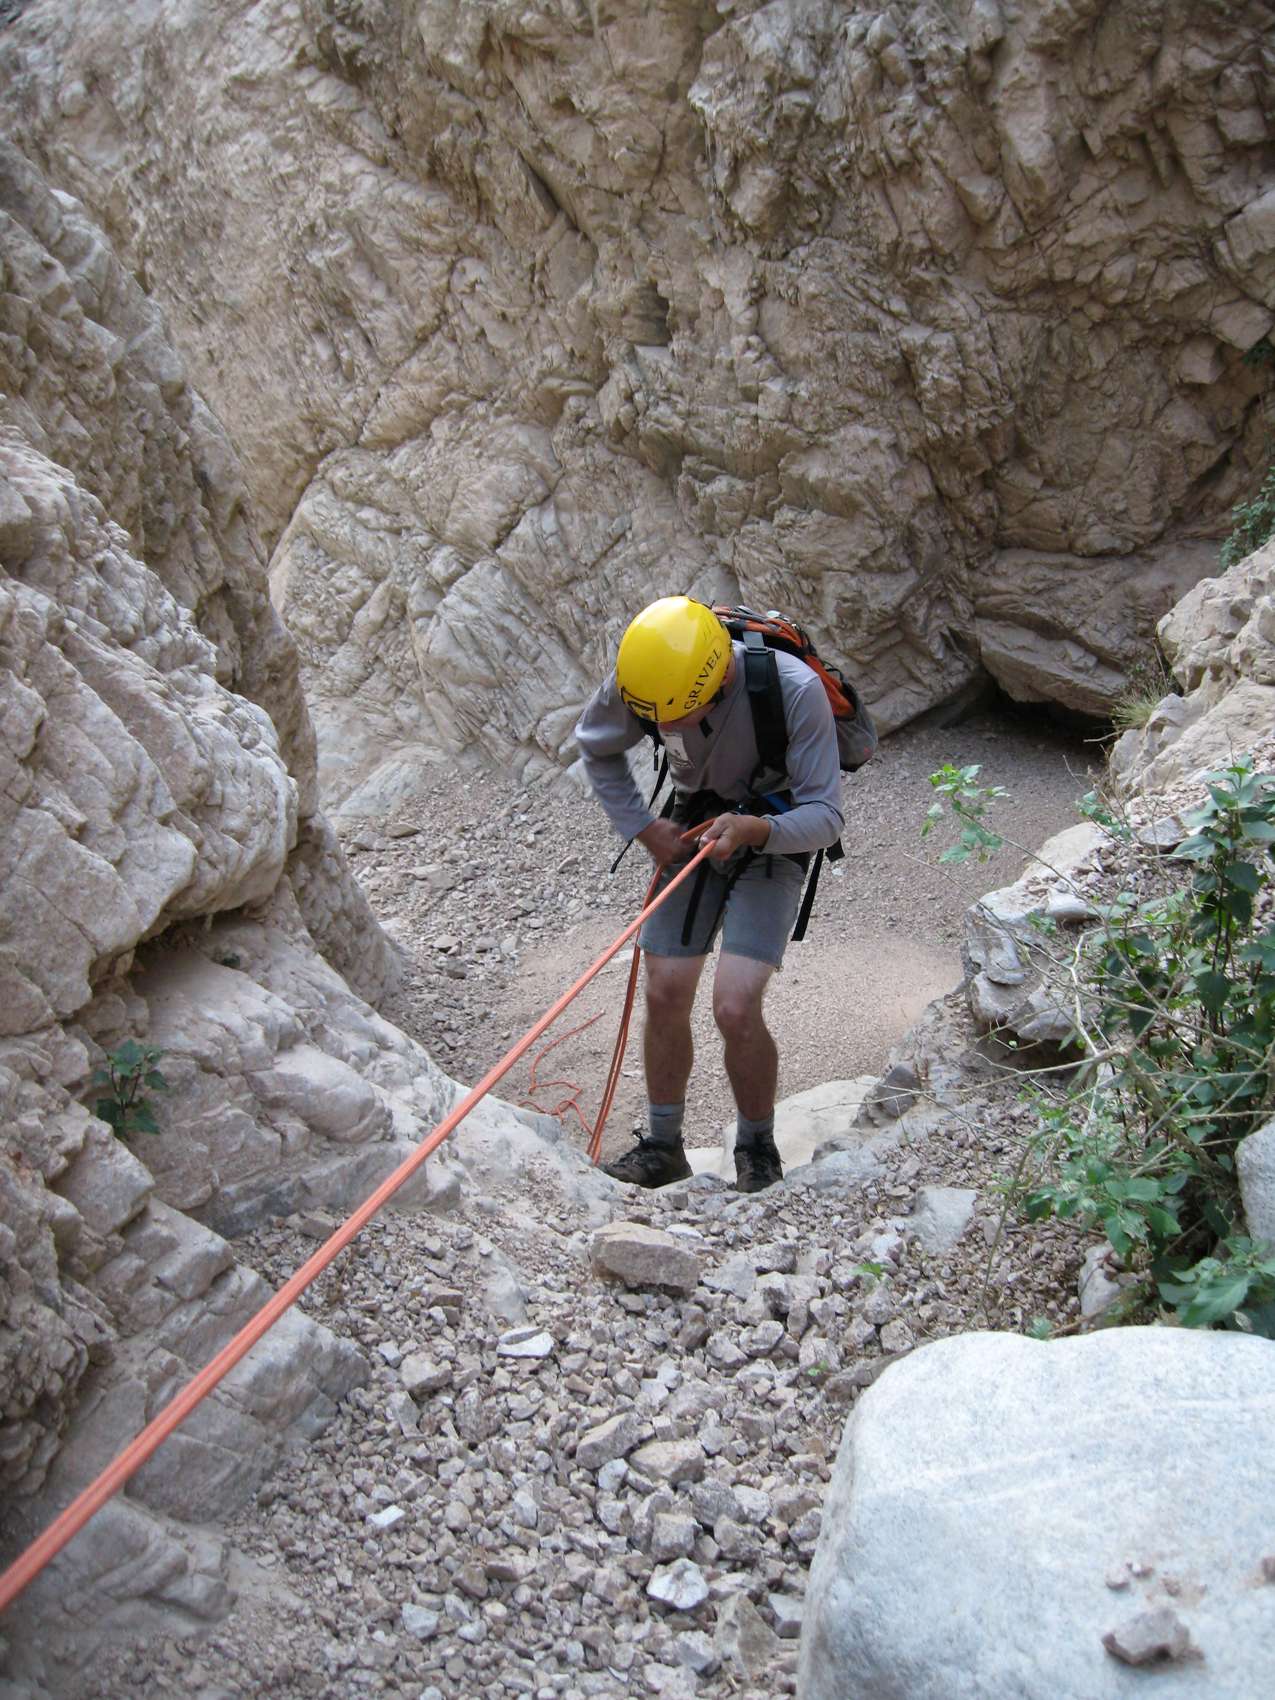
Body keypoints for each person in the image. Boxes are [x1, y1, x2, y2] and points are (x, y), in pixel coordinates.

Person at [574, 595, 845, 1193]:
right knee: (665, 988)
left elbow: (826, 816)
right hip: (693, 820)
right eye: (661, 721)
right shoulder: (648, 678)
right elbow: (596, 744)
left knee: (735, 1004)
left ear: (720, 679)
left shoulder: (794, 689)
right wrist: (644, 828)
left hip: (776, 828)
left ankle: (757, 1149)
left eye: (682, 715)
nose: (669, 728)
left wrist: (753, 830)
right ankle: (663, 1146)